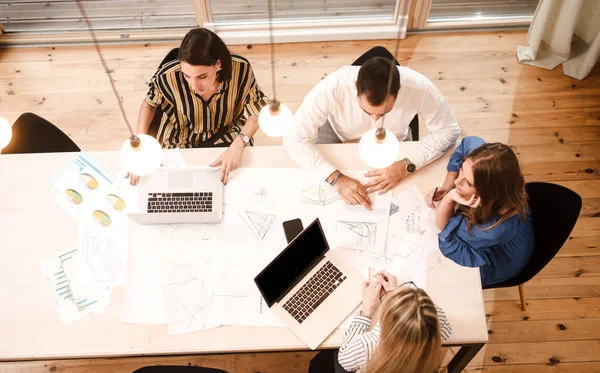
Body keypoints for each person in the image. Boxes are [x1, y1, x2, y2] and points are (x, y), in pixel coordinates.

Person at [283, 46, 460, 211]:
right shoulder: (332, 87)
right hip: (340, 135)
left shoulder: (419, 87)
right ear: (355, 87)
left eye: (384, 112)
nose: (376, 119)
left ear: (399, 90)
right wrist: (336, 179)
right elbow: (293, 139)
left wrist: (407, 165)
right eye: (367, 111)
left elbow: (449, 130)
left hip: (395, 141)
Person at [129, 28, 268, 185]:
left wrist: (239, 143)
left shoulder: (241, 70)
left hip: (226, 132)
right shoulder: (167, 76)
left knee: (238, 180)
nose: (195, 86)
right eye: (187, 76)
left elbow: (258, 109)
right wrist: (140, 142)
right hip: (179, 137)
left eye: (202, 76)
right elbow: (149, 104)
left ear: (218, 64)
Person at [426, 136, 535, 286]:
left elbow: (444, 227)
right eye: (462, 169)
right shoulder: (482, 162)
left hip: (499, 257)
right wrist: (448, 184)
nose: (459, 180)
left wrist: (449, 198)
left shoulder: (492, 229)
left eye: (469, 183)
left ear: (488, 192)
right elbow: (469, 141)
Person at [336, 271, 452, 373]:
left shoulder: (366, 345)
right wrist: (395, 294)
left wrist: (366, 311)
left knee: (336, 349)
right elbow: (445, 330)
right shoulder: (434, 324)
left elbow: (344, 360)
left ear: (385, 318)